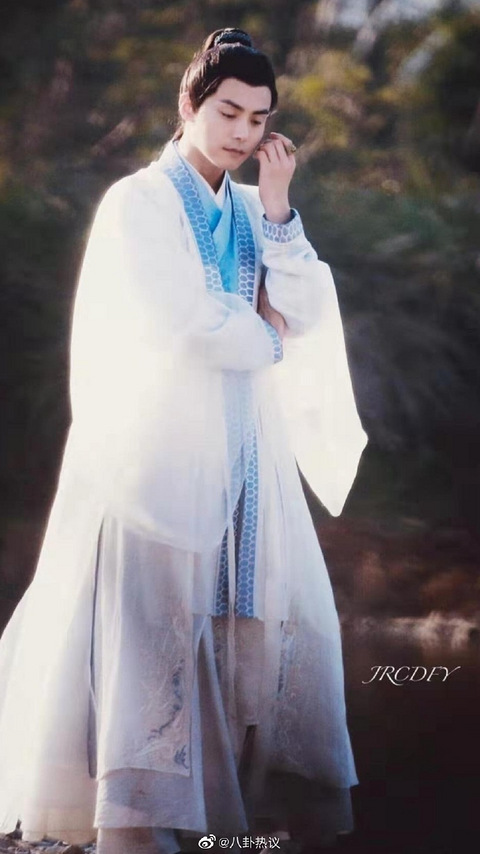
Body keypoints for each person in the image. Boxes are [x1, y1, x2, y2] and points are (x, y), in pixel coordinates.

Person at [0, 27, 367, 854]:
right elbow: (181, 321)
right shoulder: (138, 204)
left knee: (252, 619)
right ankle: (140, 822)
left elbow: (307, 308)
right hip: (156, 459)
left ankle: (228, 814)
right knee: (156, 627)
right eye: (227, 111)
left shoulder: (251, 209)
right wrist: (263, 332)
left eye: (258, 119)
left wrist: (278, 210)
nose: (242, 132)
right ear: (189, 105)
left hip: (246, 452)